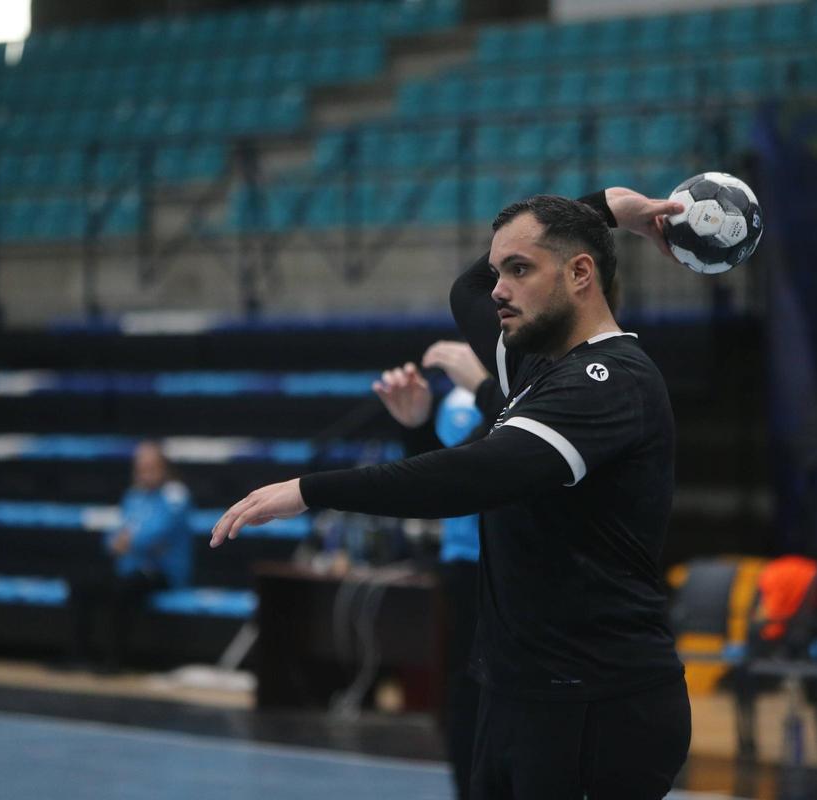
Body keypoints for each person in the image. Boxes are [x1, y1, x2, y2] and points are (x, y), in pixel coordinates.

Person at [211, 187, 692, 798]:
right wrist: (607, 207)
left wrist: (311, 489)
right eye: (499, 270)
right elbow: (465, 290)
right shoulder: (536, 364)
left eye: (519, 270)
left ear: (579, 274)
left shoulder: (612, 381)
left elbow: (473, 474)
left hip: (598, 701)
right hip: (520, 692)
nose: (497, 288)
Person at [373, 340, 498, 800]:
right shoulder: (461, 400)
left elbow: (491, 460)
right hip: (467, 564)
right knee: (467, 689)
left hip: (521, 565)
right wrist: (418, 426)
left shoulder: (528, 387)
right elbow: (443, 475)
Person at [69, 441, 193, 671]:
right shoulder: (133, 496)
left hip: (163, 572)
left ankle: (115, 660)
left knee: (124, 589)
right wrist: (122, 542)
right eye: (141, 468)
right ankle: (80, 655)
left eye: (151, 467)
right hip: (130, 568)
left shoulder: (175, 495)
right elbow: (112, 536)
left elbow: (159, 532)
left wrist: (131, 541)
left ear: (164, 467)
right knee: (81, 583)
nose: (145, 473)